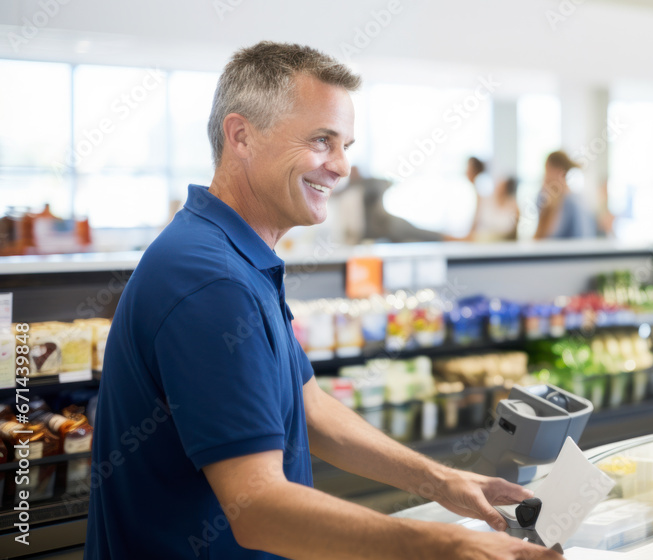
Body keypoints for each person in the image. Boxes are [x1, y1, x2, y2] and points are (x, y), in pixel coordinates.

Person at [84, 41, 558, 560]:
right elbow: (258, 508)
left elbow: (308, 409)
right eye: (320, 140)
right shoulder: (210, 281)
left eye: (346, 144)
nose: (341, 166)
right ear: (241, 136)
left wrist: (441, 481)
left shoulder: (236, 255)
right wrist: (442, 545)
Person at [533, 151, 595, 240]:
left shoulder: (573, 203)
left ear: (558, 171)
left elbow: (582, 237)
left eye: (547, 170)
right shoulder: (543, 198)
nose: (545, 176)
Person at [466, 177, 520, 241]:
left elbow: (515, 232)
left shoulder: (514, 205)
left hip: (505, 242)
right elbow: (475, 225)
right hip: (483, 240)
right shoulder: (485, 201)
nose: (499, 188)